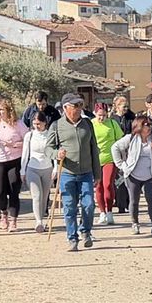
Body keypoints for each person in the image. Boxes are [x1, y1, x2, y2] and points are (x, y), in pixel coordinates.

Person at [46, 93, 101, 252]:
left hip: (86, 173)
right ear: (65, 108)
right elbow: (47, 148)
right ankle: (72, 238)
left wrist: (97, 173)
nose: (78, 109)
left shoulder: (87, 124)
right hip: (67, 173)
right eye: (75, 106)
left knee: (89, 205)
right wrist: (56, 154)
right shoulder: (57, 126)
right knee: (69, 207)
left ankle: (86, 231)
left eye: (80, 105)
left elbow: (94, 149)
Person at [112, 117, 152, 236]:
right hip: (133, 175)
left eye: (150, 125)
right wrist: (121, 165)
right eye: (147, 125)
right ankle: (135, 223)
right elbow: (115, 148)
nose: (149, 127)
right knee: (134, 201)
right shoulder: (130, 138)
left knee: (151, 200)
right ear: (139, 126)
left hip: (149, 175)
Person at [0, 96, 28, 232]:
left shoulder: (18, 124)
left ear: (8, 110)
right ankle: (3, 215)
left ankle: (13, 220)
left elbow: (28, 140)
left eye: (2, 110)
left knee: (14, 190)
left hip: (14, 160)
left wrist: (15, 145)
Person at [90, 102, 126, 226]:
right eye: (99, 115)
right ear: (95, 113)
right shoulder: (91, 124)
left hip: (110, 158)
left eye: (104, 115)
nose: (102, 118)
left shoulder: (112, 124)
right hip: (95, 159)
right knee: (98, 186)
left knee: (107, 184)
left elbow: (120, 140)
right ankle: (102, 212)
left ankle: (110, 211)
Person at [21, 114, 57, 233]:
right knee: (36, 195)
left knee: (44, 195)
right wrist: (22, 170)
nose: (36, 126)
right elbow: (25, 153)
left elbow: (54, 152)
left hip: (47, 168)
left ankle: (42, 216)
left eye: (39, 124)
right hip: (32, 167)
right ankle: (38, 221)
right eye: (34, 124)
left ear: (44, 123)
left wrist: (56, 168)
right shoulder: (29, 135)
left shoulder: (50, 134)